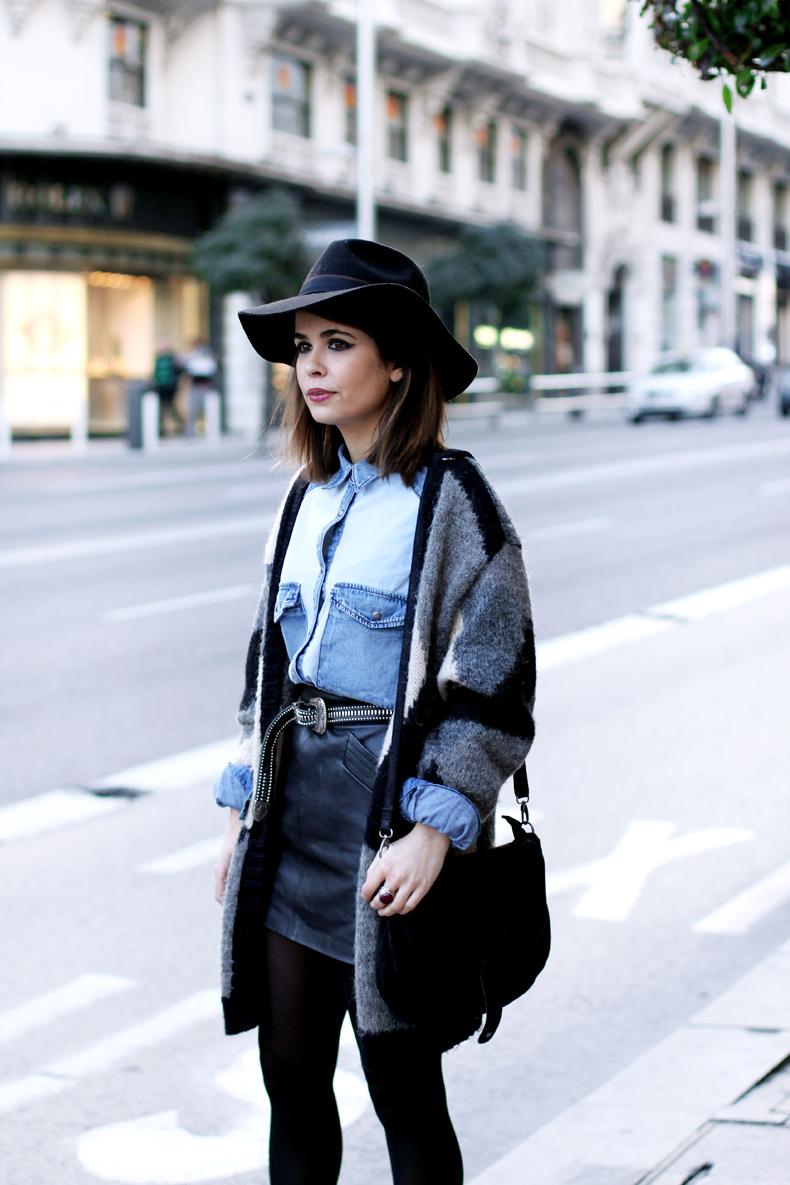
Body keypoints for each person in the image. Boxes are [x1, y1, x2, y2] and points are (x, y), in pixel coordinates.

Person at [213, 239, 536, 1185]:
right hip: (291, 820)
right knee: (292, 1082)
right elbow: (266, 667)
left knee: (403, 1091)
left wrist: (435, 830)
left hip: (384, 823)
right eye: (304, 345)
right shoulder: (301, 499)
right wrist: (242, 810)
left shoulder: (456, 504)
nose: (311, 365)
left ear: (398, 360)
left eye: (337, 342)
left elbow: (495, 690)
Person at [182, 337, 218, 436]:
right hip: (196, 387)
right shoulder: (191, 356)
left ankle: (210, 432)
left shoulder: (206, 355)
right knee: (193, 411)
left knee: (207, 410)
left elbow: (211, 369)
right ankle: (190, 433)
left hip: (204, 387)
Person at [152, 339, 184, 434]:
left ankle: (181, 425)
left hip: (170, 387)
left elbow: (179, 370)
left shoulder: (172, 357)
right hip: (160, 387)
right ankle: (160, 429)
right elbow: (156, 372)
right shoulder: (158, 358)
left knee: (171, 407)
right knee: (160, 408)